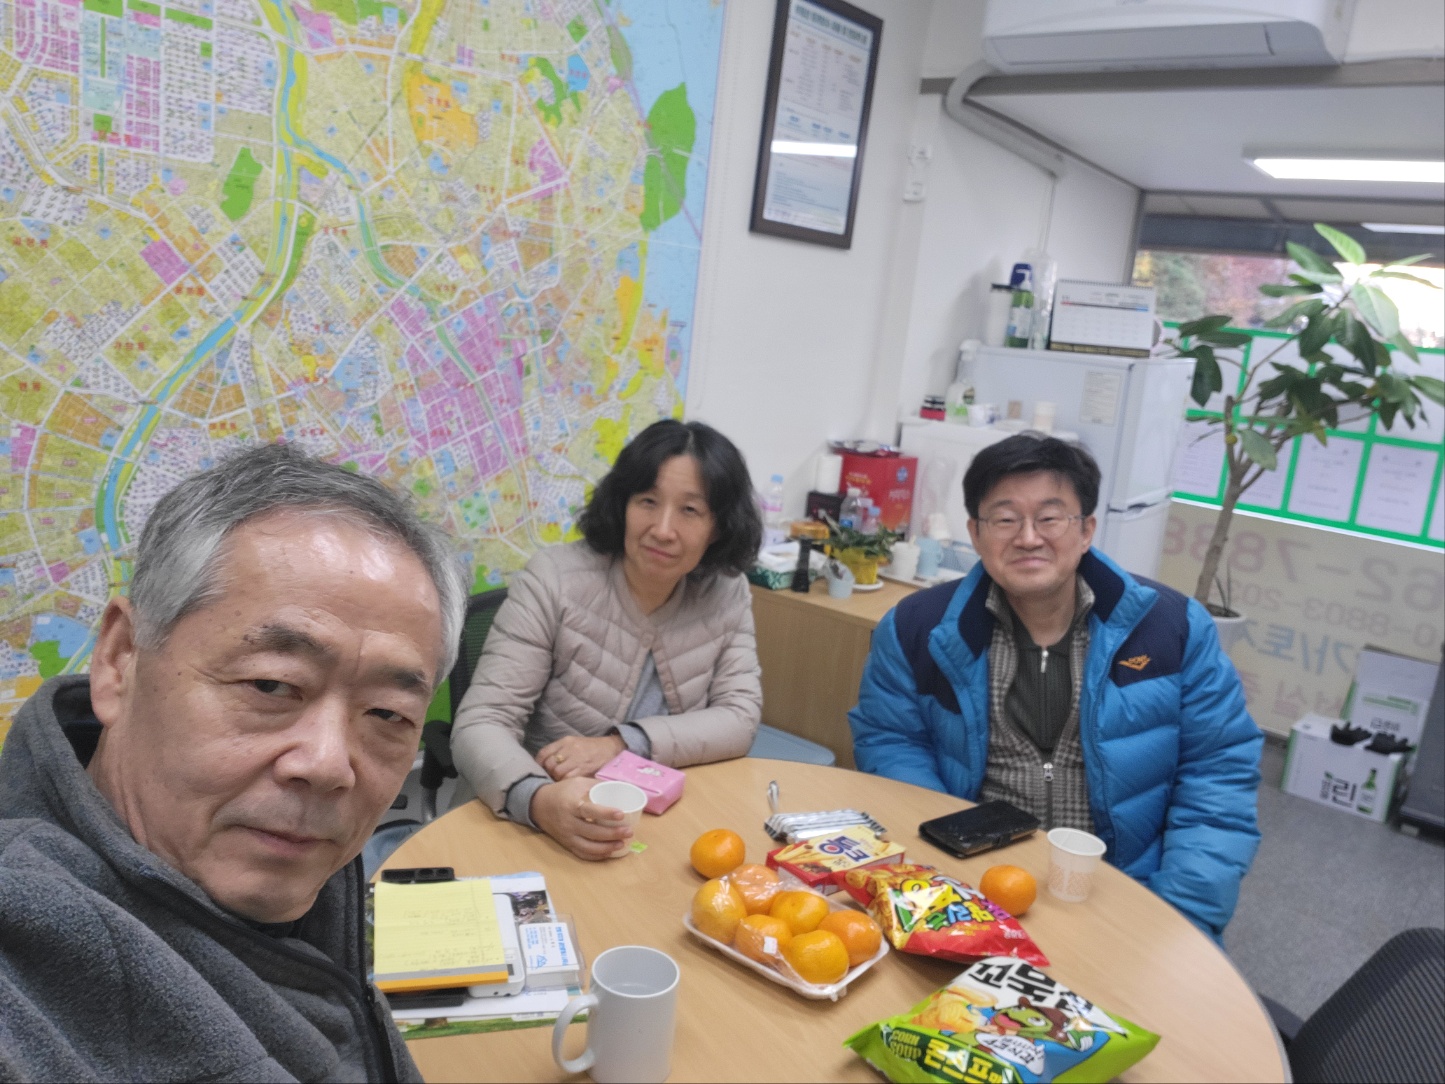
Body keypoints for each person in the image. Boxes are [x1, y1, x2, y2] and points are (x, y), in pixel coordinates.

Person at [0, 443, 465, 1081]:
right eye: (271, 686)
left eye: (387, 713)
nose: (329, 765)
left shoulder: (278, 868)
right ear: (121, 659)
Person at [849, 433, 1261, 940]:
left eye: (1050, 517)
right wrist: (942, 870)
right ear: (975, 534)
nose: (1028, 538)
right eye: (1005, 519)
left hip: (1130, 890)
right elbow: (891, 742)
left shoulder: (1171, 627)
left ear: (1086, 529)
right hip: (973, 883)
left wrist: (1179, 916)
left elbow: (1218, 775)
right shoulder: (918, 627)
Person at [452, 418, 763, 860]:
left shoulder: (727, 592)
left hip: (655, 827)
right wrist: (538, 800)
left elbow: (739, 718)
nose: (663, 529)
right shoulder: (554, 579)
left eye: (690, 510)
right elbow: (482, 722)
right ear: (623, 503)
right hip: (531, 822)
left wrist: (621, 744)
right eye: (648, 501)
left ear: (719, 526)